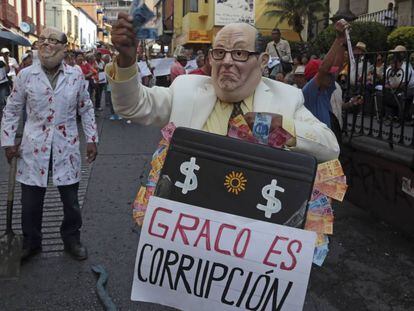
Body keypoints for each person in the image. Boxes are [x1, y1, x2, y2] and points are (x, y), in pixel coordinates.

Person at [108, 15, 340, 162]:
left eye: (239, 53)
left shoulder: (287, 97)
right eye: (219, 52)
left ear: (262, 61)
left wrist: (283, 129)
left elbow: (329, 147)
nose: (227, 61)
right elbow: (133, 105)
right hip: (190, 224)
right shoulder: (186, 89)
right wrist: (127, 62)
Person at [0, 27, 98, 261]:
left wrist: (92, 138)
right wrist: (8, 141)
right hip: (33, 145)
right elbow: (12, 109)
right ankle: (31, 242)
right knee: (31, 202)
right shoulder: (25, 76)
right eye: (43, 40)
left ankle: (71, 239)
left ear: (64, 48)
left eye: (53, 41)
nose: (47, 44)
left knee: (71, 202)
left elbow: (86, 108)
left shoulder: (75, 75)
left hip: (67, 145)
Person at [302, 20, 348, 130]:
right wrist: (338, 39)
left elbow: (337, 66)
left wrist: (343, 42)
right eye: (328, 74)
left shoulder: (325, 90)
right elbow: (323, 69)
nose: (331, 76)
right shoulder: (308, 91)